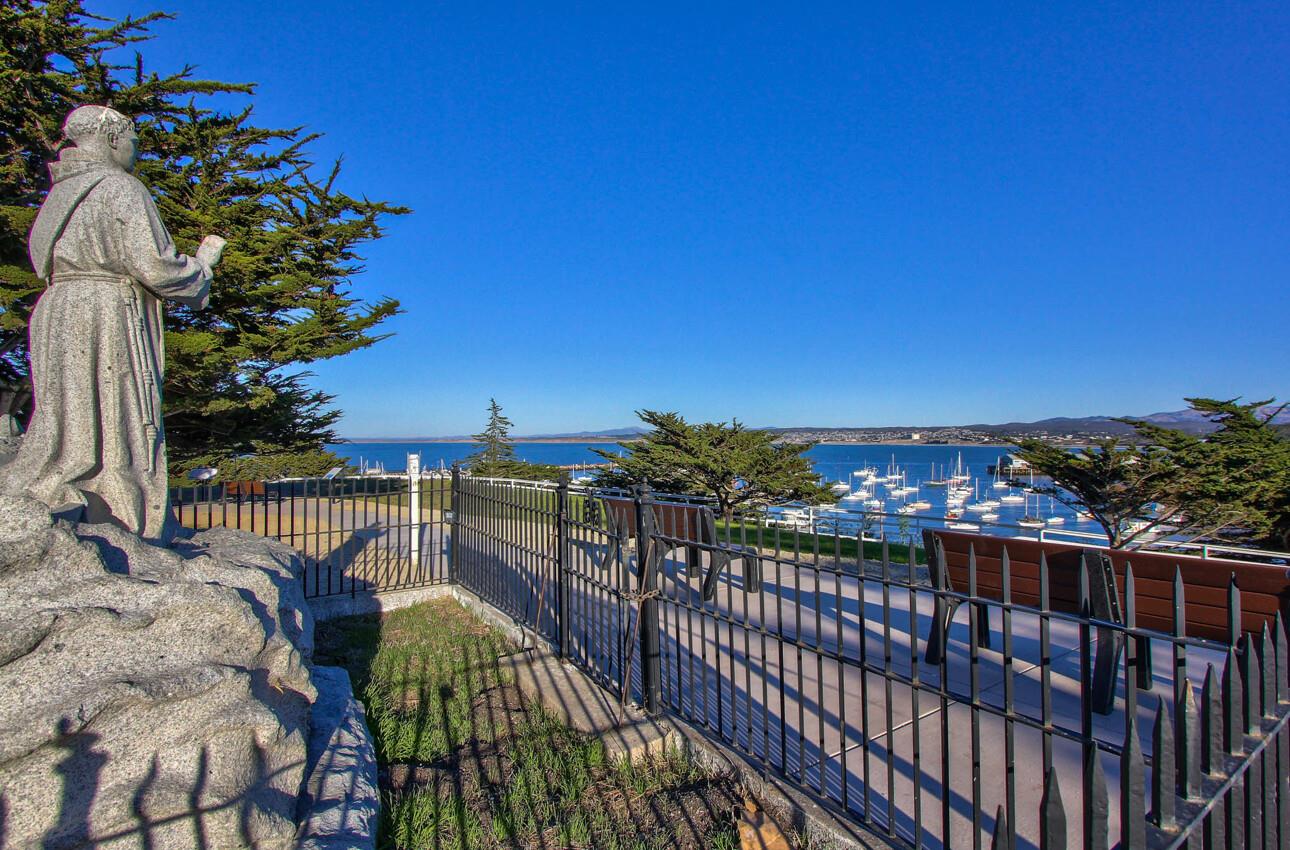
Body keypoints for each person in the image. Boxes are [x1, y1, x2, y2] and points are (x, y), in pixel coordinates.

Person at [2, 105, 225, 543]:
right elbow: (156, 268)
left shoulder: (57, 198)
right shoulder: (121, 188)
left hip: (58, 310)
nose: (136, 152)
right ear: (111, 138)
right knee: (114, 407)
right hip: (106, 311)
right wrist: (203, 266)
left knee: (67, 412)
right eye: (134, 142)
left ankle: (73, 488)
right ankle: (121, 512)